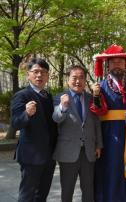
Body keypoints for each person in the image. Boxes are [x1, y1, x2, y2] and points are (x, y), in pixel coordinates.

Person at [90, 44, 126, 202]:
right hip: (108, 135)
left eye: (120, 62)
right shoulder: (101, 86)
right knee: (110, 169)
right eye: (113, 62)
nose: (117, 65)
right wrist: (96, 95)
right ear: (107, 65)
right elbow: (98, 112)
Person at [52, 65, 103, 202]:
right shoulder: (60, 98)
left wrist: (99, 144)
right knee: (67, 190)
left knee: (88, 189)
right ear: (68, 79)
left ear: (85, 80)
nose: (77, 81)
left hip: (88, 151)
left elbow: (96, 123)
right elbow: (56, 118)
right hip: (68, 152)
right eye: (74, 77)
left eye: (81, 78)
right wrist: (63, 107)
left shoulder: (91, 98)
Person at [11, 58, 58, 202]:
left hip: (49, 156)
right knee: (27, 195)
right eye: (35, 72)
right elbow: (15, 123)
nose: (39, 75)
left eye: (43, 72)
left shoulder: (48, 96)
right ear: (28, 75)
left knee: (42, 195)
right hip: (31, 156)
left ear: (47, 76)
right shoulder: (22, 95)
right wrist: (27, 114)